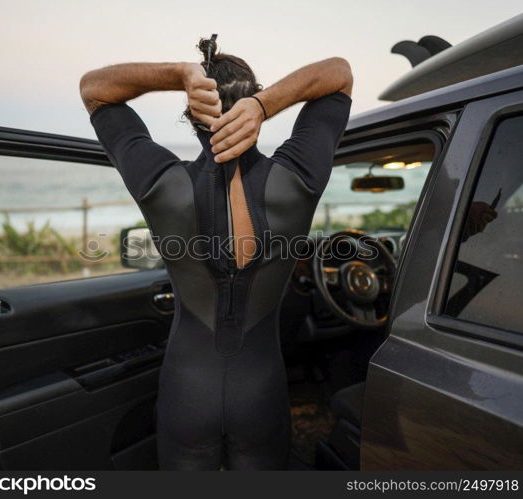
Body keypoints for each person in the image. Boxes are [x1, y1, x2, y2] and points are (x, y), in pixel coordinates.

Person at [80, 35, 353, 470]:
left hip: (187, 390)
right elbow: (339, 74)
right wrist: (266, 106)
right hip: (261, 391)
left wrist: (178, 74)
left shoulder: (161, 185)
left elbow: (94, 89)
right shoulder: (297, 178)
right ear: (254, 95)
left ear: (191, 111)